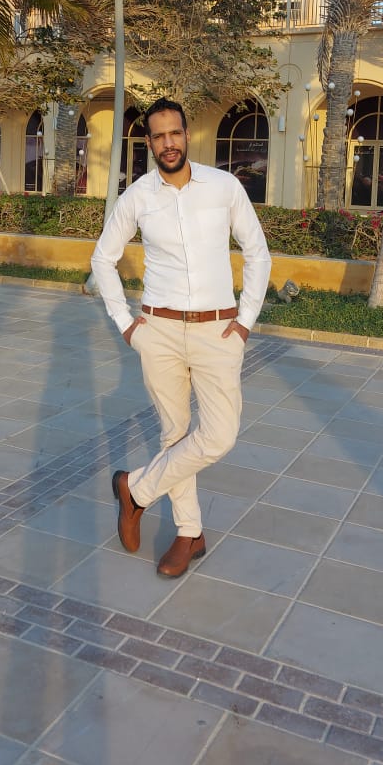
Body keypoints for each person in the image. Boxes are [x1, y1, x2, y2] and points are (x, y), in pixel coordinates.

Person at [91, 97, 272, 578]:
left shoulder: (224, 186)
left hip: (218, 329)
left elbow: (257, 252)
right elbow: (102, 259)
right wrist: (126, 324)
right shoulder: (137, 196)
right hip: (160, 330)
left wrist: (245, 321)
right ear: (149, 142)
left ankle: (135, 489)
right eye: (159, 136)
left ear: (187, 135)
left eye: (175, 133)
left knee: (219, 435)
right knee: (175, 435)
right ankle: (189, 533)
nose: (168, 143)